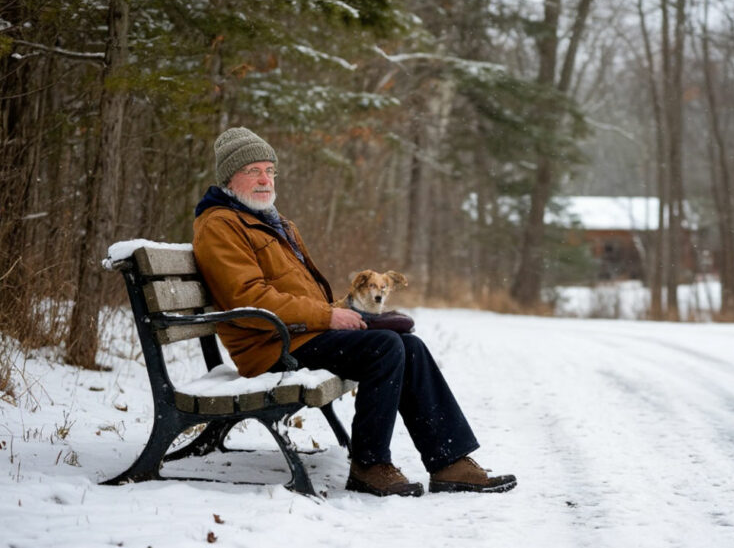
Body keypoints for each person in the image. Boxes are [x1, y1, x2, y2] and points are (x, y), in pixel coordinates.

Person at [192, 126, 516, 497]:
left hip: (299, 333)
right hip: (269, 345)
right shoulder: (220, 225)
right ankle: (369, 465)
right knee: (384, 347)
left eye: (270, 170)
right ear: (229, 177)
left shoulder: (274, 222)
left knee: (408, 344)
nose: (266, 179)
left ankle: (450, 462)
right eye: (254, 171)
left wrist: (347, 313)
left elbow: (296, 294)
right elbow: (248, 300)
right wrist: (328, 317)